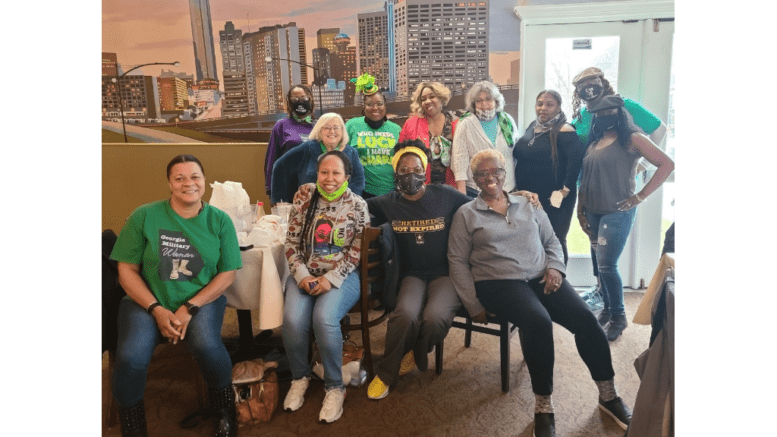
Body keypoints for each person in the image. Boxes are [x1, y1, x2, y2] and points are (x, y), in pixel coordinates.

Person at [448, 149, 633, 437]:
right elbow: (457, 261)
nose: (490, 178)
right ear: (474, 179)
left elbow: (552, 240)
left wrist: (556, 268)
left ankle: (608, 395)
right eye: (482, 174)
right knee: (537, 321)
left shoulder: (528, 203)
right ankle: (543, 406)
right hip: (498, 282)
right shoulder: (466, 214)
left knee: (586, 319)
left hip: (541, 275)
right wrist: (472, 305)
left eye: (495, 171)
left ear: (504, 172)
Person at [110, 155, 242, 437]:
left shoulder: (220, 221)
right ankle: (132, 426)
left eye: (194, 177)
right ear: (169, 184)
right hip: (146, 299)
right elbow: (126, 270)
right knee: (130, 358)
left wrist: (189, 308)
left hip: (201, 299)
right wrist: (156, 308)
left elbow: (228, 273)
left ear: (204, 181)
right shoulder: (144, 216)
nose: (188, 183)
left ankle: (225, 410)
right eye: (179, 178)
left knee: (207, 345)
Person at [361, 139, 472, 400]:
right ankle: (386, 373)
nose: (410, 175)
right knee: (405, 315)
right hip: (411, 275)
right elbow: (356, 204)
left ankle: (417, 351)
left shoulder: (445, 194)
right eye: (403, 170)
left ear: (425, 170)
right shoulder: (388, 202)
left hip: (444, 274)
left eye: (415, 169)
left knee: (435, 318)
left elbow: (477, 203)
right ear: (395, 173)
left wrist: (518, 196)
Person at [281, 150, 369, 423]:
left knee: (323, 318)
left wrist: (328, 280)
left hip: (343, 276)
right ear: (316, 174)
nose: (329, 178)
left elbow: (355, 254)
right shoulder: (305, 198)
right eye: (324, 172)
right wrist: (303, 276)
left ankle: (334, 386)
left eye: (336, 173)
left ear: (347, 176)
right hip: (305, 273)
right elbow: (291, 243)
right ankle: (300, 377)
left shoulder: (357, 206)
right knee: (292, 321)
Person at [577, 95, 674, 341]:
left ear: (619, 113)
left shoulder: (633, 138)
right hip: (592, 211)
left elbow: (667, 163)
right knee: (600, 265)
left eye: (609, 112)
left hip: (617, 211)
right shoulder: (594, 142)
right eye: (598, 113)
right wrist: (580, 209)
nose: (603, 116)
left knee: (608, 265)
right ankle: (608, 310)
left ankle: (619, 317)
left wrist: (641, 195)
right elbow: (584, 179)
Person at [571, 67, 668, 300]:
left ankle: (610, 299)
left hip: (615, 188)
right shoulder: (584, 114)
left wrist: (640, 165)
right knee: (594, 244)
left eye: (592, 81)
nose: (588, 87)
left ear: (603, 81)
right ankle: (599, 289)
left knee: (607, 253)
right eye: (582, 84)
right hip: (587, 187)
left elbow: (659, 129)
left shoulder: (622, 105)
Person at [513, 90, 585, 264]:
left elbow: (575, 163)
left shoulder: (565, 130)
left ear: (559, 107)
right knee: (533, 239)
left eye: (549, 104)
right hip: (530, 197)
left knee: (555, 241)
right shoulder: (533, 126)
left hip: (556, 197)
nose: (543, 108)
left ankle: (560, 283)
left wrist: (564, 191)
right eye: (539, 104)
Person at [271, 112, 365, 204]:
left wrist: (345, 198)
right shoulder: (307, 148)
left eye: (336, 128)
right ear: (320, 130)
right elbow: (280, 167)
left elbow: (359, 180)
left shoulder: (351, 152)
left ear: (342, 131)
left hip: (342, 207)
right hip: (309, 206)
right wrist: (281, 201)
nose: (332, 131)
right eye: (327, 128)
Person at [345, 74, 402, 198]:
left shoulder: (396, 129)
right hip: (360, 192)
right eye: (370, 104)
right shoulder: (352, 125)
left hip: (390, 192)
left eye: (379, 103)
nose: (375, 108)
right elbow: (340, 154)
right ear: (364, 107)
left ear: (385, 106)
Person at [399, 81, 458, 186]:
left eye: (432, 97)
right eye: (423, 99)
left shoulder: (456, 124)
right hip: (420, 187)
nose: (427, 101)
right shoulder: (411, 124)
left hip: (452, 187)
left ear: (441, 98)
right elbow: (400, 156)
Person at [265, 85, 316, 195]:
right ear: (289, 103)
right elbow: (271, 160)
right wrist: (271, 191)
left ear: (310, 100)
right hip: (287, 188)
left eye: (303, 98)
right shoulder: (281, 126)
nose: (300, 102)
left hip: (314, 190)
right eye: (295, 99)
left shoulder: (319, 126)